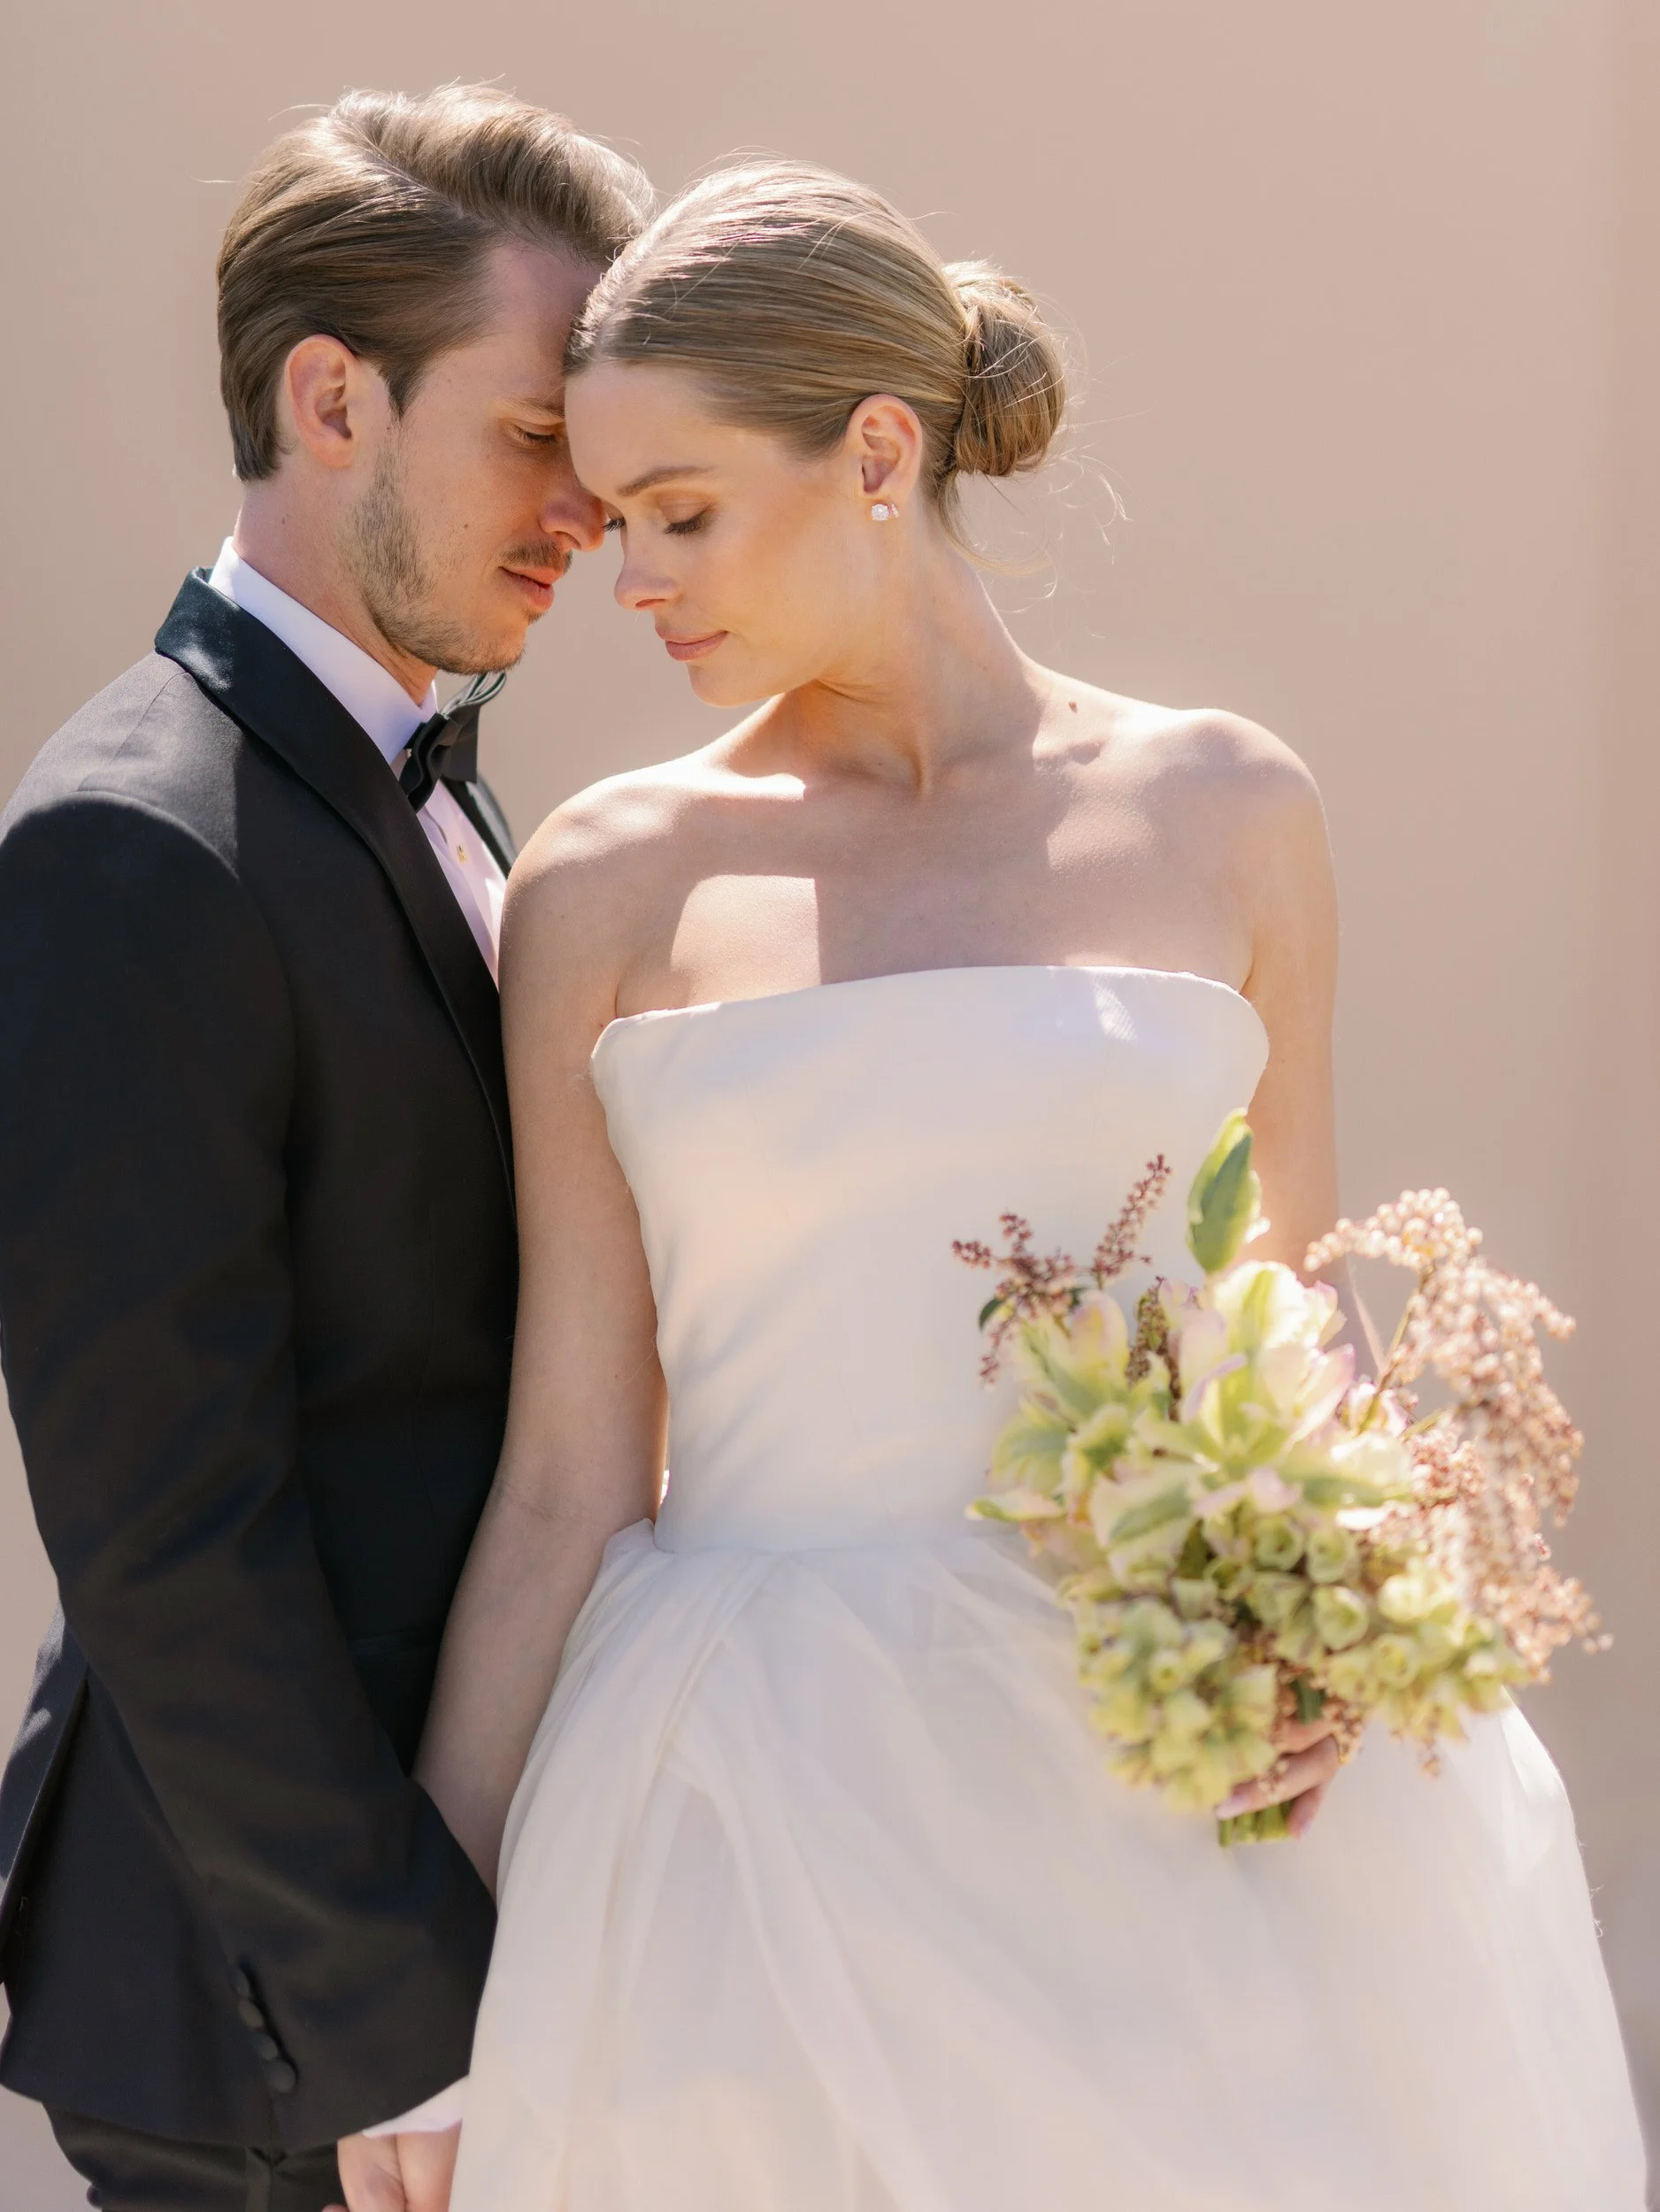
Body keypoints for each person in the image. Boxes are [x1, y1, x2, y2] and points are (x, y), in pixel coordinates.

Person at [415, 162, 1647, 2209]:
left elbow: (1302, 1309)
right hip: (756, 1823)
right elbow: (565, 1469)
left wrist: (1338, 1618)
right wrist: (416, 1972)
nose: (626, 576)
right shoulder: (607, 882)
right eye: (612, 516)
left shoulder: (1226, 808)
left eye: (679, 511)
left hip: (1164, 1807)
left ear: (875, 453)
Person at [0, 84, 650, 2212]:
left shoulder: (421, 783)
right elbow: (165, 1523)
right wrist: (403, 2019)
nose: (590, 511)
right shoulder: (132, 842)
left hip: (473, 1936)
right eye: (534, 433)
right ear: (331, 397)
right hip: (283, 2026)